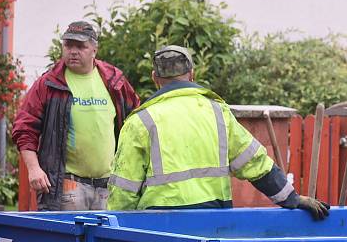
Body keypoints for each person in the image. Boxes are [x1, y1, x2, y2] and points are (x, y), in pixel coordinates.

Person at [107, 45, 329, 220]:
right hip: (213, 221)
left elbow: (124, 189)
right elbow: (254, 163)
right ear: (192, 75)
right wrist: (291, 198)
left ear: (154, 77)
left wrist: (116, 231)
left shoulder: (141, 121)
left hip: (159, 225)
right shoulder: (217, 112)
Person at [12, 21, 140, 210]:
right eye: (68, 45)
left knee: (104, 240)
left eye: (80, 46)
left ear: (94, 50)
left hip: (109, 185)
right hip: (67, 184)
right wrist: (33, 168)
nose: (73, 51)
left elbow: (137, 120)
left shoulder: (114, 80)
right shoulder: (49, 84)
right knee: (69, 240)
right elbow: (24, 127)